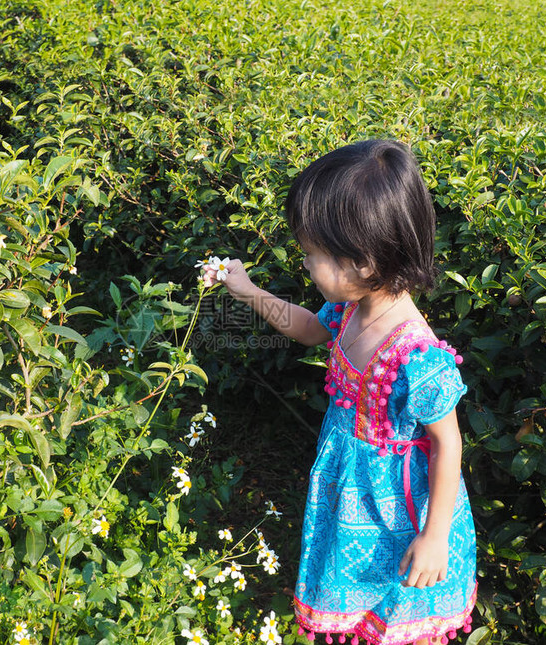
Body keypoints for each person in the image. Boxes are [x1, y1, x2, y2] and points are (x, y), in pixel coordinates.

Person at [201, 140, 476, 645]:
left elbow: (448, 443)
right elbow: (309, 329)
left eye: (311, 254)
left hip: (395, 507)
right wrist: (245, 290)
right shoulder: (354, 310)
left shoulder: (417, 356)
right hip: (350, 488)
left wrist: (435, 536)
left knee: (393, 593)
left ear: (364, 262)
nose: (305, 263)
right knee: (347, 578)